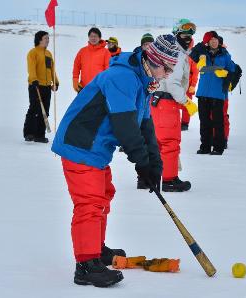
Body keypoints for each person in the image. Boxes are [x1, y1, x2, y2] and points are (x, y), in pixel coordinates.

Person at [51, 35, 179, 287]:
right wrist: (140, 162)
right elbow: (125, 126)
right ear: (153, 60)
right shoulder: (122, 78)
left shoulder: (142, 81)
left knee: (103, 195)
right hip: (80, 144)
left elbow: (145, 126)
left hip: (96, 148)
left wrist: (154, 166)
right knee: (89, 202)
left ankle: (96, 249)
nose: (167, 74)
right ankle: (86, 265)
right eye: (167, 68)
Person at [148, 19, 197, 192]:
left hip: (156, 102)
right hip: (167, 103)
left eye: (190, 36)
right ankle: (169, 180)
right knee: (170, 143)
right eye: (184, 35)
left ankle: (154, 177)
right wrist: (187, 102)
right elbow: (173, 84)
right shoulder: (176, 54)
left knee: (159, 142)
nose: (187, 38)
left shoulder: (166, 50)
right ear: (176, 34)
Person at [193, 31, 236, 155]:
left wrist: (225, 73)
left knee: (218, 122)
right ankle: (205, 147)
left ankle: (218, 147)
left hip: (218, 94)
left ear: (219, 42)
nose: (214, 41)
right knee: (204, 122)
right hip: (203, 93)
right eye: (211, 40)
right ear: (207, 42)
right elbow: (192, 52)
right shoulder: (202, 53)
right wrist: (203, 43)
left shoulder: (225, 55)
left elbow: (232, 71)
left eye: (216, 39)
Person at [23, 31, 59, 143]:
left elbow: (52, 69)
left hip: (47, 86)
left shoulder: (48, 54)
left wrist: (56, 81)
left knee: (45, 111)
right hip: (36, 85)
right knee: (34, 109)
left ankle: (39, 134)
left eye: (48, 38)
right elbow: (31, 68)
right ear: (39, 39)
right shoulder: (33, 53)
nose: (47, 40)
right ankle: (29, 133)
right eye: (45, 38)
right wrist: (34, 80)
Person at [72, 27, 110, 93]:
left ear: (99, 38)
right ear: (88, 37)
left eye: (95, 36)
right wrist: (75, 80)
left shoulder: (105, 52)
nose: (93, 38)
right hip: (83, 87)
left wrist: (106, 84)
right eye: (91, 36)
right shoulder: (82, 51)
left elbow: (108, 70)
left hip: (99, 89)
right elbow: (76, 67)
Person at [180, 39, 200, 131]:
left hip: (188, 86)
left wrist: (193, 85)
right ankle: (175, 122)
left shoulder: (193, 55)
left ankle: (184, 123)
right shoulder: (177, 52)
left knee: (186, 105)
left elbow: (195, 72)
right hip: (177, 84)